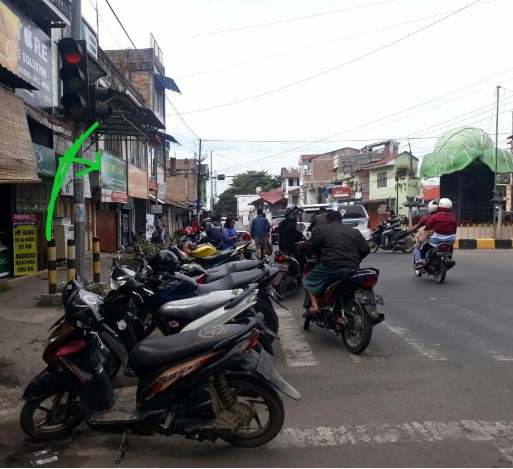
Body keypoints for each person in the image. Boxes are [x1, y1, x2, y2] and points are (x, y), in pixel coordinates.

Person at [302, 210, 370, 315]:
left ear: (327, 221)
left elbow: (309, 247)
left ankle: (314, 306)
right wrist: (356, 259)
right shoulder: (354, 231)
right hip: (352, 267)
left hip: (330, 266)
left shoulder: (321, 230)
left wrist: (301, 246)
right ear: (340, 220)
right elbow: (366, 249)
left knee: (307, 279)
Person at [418, 197, 458, 267]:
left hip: (436, 238)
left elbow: (428, 226)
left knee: (425, 246)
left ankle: (428, 261)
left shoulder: (436, 216)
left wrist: (426, 230)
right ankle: (449, 258)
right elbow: (455, 229)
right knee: (450, 246)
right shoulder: (453, 217)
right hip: (450, 238)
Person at [278, 205, 305, 272]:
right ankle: (300, 278)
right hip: (292, 251)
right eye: (297, 214)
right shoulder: (295, 225)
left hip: (282, 251)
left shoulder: (281, 224)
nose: (298, 216)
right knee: (304, 264)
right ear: (292, 215)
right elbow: (301, 238)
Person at [412, 200, 438, 264]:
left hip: (430, 239)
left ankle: (418, 261)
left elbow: (417, 227)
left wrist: (410, 230)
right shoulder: (442, 216)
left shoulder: (426, 217)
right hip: (442, 239)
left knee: (416, 246)